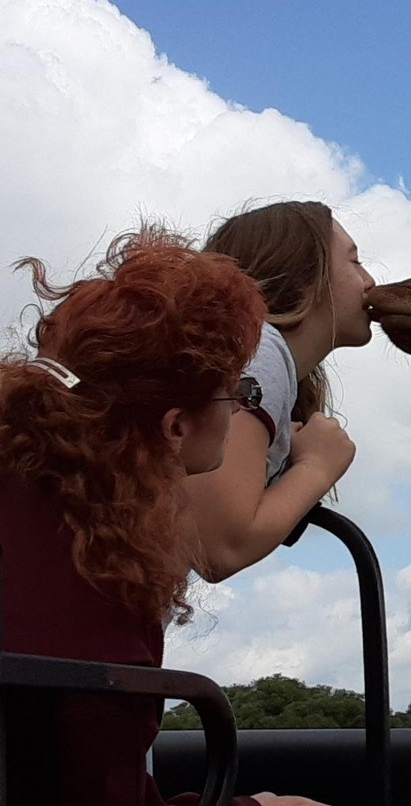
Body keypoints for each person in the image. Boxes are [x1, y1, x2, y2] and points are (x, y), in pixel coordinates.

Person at [0, 229, 325, 806]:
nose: (240, 405)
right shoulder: (98, 559)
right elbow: (93, 787)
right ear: (175, 427)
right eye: (238, 391)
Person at [185, 201, 374, 581]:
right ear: (307, 277)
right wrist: (317, 466)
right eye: (354, 262)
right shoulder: (258, 348)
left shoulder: (252, 352)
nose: (369, 281)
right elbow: (220, 546)